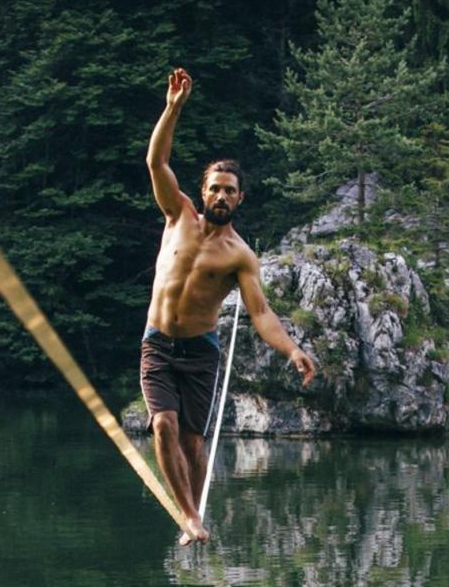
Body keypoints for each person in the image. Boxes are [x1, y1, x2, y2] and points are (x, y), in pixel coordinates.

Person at [141, 67, 316, 545]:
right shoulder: (177, 214)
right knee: (163, 425)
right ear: (203, 191)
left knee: (195, 443)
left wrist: (291, 349)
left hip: (200, 351)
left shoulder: (240, 254)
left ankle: (195, 515)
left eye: (230, 190)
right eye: (214, 188)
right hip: (158, 342)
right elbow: (156, 162)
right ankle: (189, 518)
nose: (221, 195)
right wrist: (173, 108)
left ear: (240, 199)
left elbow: (261, 314)